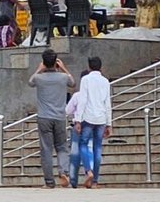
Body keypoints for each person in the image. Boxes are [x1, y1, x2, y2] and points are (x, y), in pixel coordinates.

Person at [28, 49, 74, 189]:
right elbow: (72, 83)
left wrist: (39, 69)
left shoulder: (38, 78)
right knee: (62, 147)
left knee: (46, 149)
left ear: (43, 62)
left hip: (44, 117)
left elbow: (30, 82)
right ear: (56, 62)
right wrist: (64, 68)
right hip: (59, 117)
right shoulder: (63, 77)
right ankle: (64, 172)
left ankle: (49, 181)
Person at [67, 55, 112, 187]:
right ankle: (95, 181)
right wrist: (109, 123)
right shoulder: (105, 81)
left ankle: (88, 171)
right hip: (101, 118)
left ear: (89, 67)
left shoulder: (85, 80)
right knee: (98, 148)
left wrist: (78, 120)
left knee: (83, 144)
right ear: (101, 67)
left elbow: (83, 100)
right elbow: (107, 103)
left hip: (88, 117)